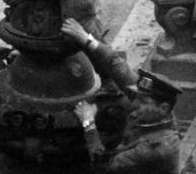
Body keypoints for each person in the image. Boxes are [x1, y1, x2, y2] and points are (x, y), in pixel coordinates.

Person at [60, 19, 182, 173]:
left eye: (143, 101)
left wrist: (88, 121)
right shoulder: (161, 114)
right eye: (137, 97)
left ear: (163, 108)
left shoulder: (155, 149)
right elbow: (118, 67)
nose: (136, 103)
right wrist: (87, 39)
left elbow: (103, 165)